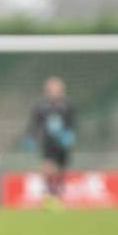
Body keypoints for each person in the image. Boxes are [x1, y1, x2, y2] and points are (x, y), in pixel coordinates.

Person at [26, 76, 75, 204]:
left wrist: (69, 134)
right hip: (48, 142)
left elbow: (72, 121)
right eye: (52, 88)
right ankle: (48, 193)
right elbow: (35, 122)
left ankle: (58, 194)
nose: (55, 90)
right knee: (48, 167)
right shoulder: (41, 105)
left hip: (62, 142)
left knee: (60, 170)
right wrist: (32, 136)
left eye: (57, 88)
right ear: (47, 89)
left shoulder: (67, 104)